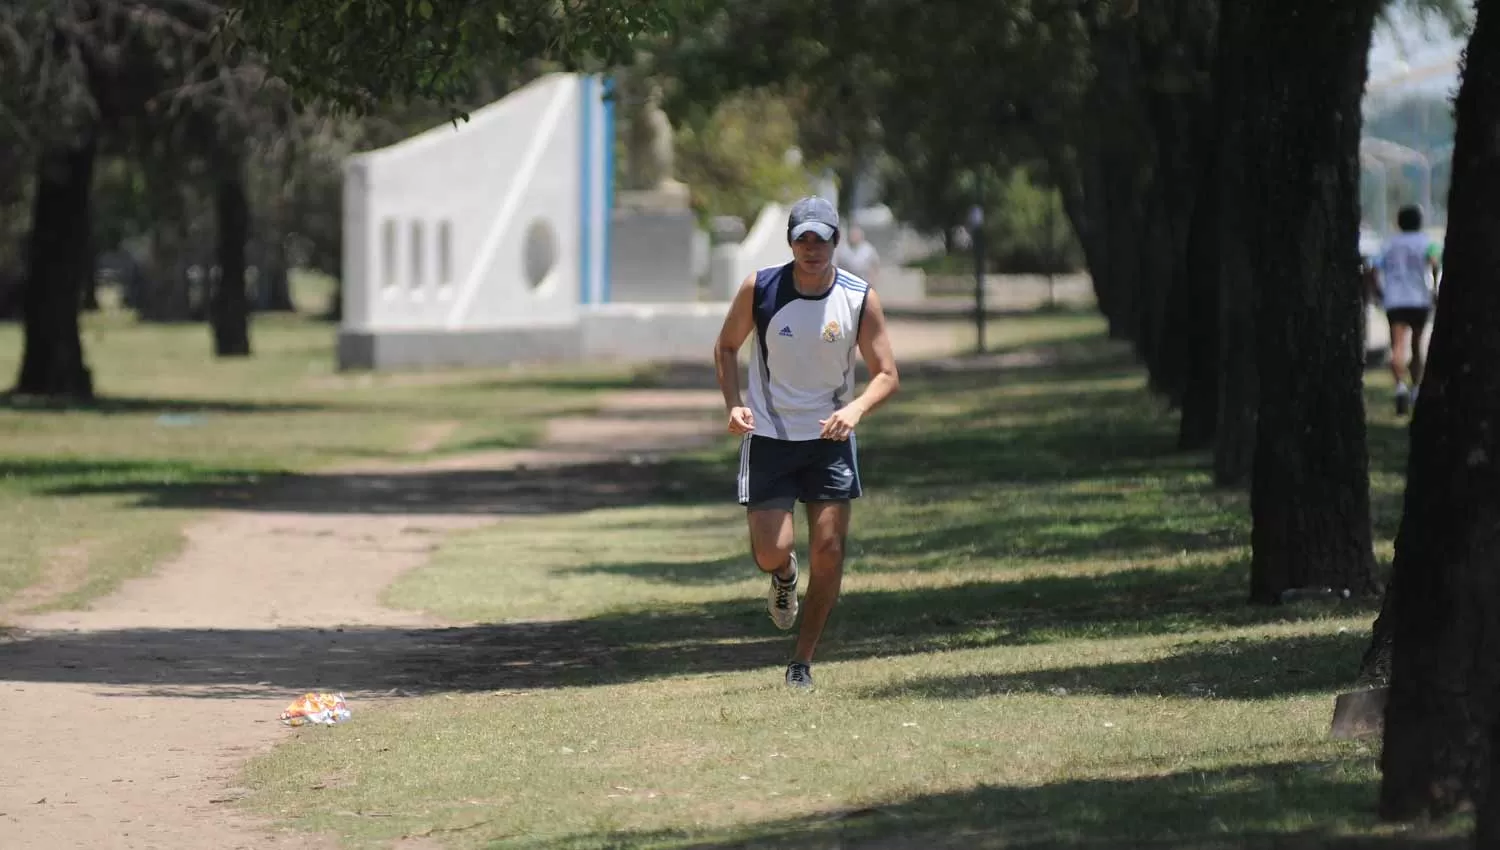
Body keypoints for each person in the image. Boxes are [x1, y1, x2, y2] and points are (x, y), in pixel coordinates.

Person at [711, 196, 900, 690]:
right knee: (771, 552)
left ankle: (802, 661)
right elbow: (726, 346)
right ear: (792, 242)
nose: (812, 248)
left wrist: (855, 410)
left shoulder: (860, 297)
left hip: (829, 438)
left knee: (830, 548)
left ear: (837, 241)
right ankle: (783, 575)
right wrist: (733, 403)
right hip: (771, 436)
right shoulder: (761, 288)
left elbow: (886, 374)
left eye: (821, 238)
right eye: (803, 238)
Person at [1370, 205, 1442, 415]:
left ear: (1399, 222)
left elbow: (1374, 269)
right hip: (1419, 299)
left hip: (1395, 300)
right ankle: (1416, 389)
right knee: (1417, 346)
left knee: (1398, 346)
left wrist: (1378, 292)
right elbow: (1434, 261)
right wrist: (1435, 286)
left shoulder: (1388, 244)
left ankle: (1400, 387)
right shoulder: (1427, 243)